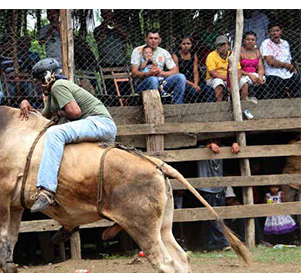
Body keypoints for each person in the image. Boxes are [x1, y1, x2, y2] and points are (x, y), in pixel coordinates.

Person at [19, 58, 117, 212]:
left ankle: (46, 191)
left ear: (47, 76)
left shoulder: (58, 86)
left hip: (100, 123)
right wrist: (25, 103)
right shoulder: (53, 92)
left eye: (39, 80)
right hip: (95, 125)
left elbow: (74, 112)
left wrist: (58, 112)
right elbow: (44, 119)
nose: (39, 84)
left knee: (55, 133)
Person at [197, 139, 240, 252]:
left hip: (219, 189)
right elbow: (200, 148)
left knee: (216, 218)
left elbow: (234, 147)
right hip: (206, 189)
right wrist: (209, 145)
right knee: (211, 218)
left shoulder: (223, 148)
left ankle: (210, 246)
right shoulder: (200, 149)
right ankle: (224, 242)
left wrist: (235, 144)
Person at [130, 30, 186, 104]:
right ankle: (155, 107)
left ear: (160, 40)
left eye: (156, 38)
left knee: (181, 77)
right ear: (146, 39)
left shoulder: (164, 52)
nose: (153, 41)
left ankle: (177, 106)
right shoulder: (138, 51)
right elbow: (134, 73)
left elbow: (175, 71)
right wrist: (148, 73)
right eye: (151, 38)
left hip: (162, 83)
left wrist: (160, 72)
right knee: (153, 79)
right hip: (144, 83)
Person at [260, 23, 300, 99]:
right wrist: (287, 65)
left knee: (298, 80)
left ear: (281, 32)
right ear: (268, 33)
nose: (275, 33)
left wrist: (294, 68)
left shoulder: (285, 43)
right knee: (278, 84)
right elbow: (270, 62)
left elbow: (289, 59)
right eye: (272, 31)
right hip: (273, 74)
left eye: (277, 30)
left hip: (288, 74)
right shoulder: (266, 43)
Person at [172, 36, 214, 103]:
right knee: (191, 92)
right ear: (180, 45)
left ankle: (209, 109)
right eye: (184, 44)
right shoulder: (175, 55)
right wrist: (192, 85)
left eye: (188, 44)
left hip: (195, 81)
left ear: (191, 45)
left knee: (208, 90)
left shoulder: (193, 55)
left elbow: (195, 71)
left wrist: (196, 84)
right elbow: (177, 73)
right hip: (183, 82)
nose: (186, 46)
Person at [205, 35, 241, 102]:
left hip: (231, 78)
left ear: (228, 45)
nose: (222, 47)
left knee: (243, 81)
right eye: (219, 45)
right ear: (216, 47)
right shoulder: (211, 56)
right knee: (218, 82)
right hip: (214, 78)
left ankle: (243, 102)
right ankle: (220, 104)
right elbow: (213, 73)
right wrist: (228, 80)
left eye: (224, 44)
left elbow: (238, 70)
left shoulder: (232, 55)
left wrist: (235, 81)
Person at [282, 135, 301, 227]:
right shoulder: (292, 144)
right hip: (289, 179)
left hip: (298, 181)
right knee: (288, 208)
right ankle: (293, 232)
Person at [239, 32, 265, 100]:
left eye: (253, 40)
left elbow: (260, 67)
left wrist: (260, 77)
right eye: (248, 39)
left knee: (264, 81)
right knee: (244, 82)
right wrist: (249, 75)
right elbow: (236, 69)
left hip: (255, 75)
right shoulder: (239, 51)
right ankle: (244, 102)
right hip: (242, 75)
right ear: (244, 41)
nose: (250, 41)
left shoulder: (257, 51)